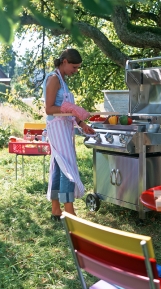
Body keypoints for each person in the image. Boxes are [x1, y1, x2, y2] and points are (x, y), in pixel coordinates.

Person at [43, 48, 95, 220]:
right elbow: (49, 109)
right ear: (64, 62)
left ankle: (56, 210)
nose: (76, 71)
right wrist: (71, 108)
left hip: (65, 128)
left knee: (59, 165)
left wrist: (82, 124)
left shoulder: (62, 80)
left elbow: (68, 114)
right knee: (67, 166)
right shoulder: (53, 79)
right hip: (56, 128)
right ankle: (69, 211)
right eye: (74, 67)